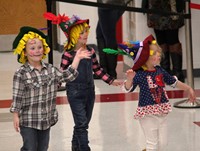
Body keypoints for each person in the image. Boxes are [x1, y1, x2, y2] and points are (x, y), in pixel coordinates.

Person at [44, 12, 122, 151]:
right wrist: (53, 90)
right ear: (73, 35)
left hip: (90, 92)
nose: (85, 35)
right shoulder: (68, 54)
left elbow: (98, 70)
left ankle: (75, 147)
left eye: (86, 31)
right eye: (81, 33)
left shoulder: (91, 51)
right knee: (81, 124)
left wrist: (111, 81)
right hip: (74, 92)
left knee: (82, 123)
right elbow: (61, 74)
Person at [10, 26, 92, 151]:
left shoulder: (50, 69)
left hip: (45, 119)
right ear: (24, 52)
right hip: (28, 119)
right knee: (30, 147)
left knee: (43, 147)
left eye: (39, 47)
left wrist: (77, 59)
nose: (37, 51)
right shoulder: (21, 73)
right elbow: (17, 96)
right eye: (32, 48)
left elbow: (67, 76)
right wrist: (15, 115)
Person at [120, 35, 196, 151]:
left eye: (158, 52)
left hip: (162, 112)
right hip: (147, 114)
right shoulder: (140, 74)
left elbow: (173, 82)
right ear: (145, 57)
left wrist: (188, 88)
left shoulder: (160, 70)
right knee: (152, 144)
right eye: (155, 53)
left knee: (163, 143)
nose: (159, 55)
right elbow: (127, 89)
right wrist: (130, 79)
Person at [142, 0, 185, 82]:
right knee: (160, 40)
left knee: (172, 39)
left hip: (171, 6)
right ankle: (165, 71)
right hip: (154, 6)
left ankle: (177, 73)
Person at [96, 0, 131, 79]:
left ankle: (110, 72)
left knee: (108, 36)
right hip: (114, 4)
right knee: (101, 34)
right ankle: (105, 70)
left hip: (109, 4)